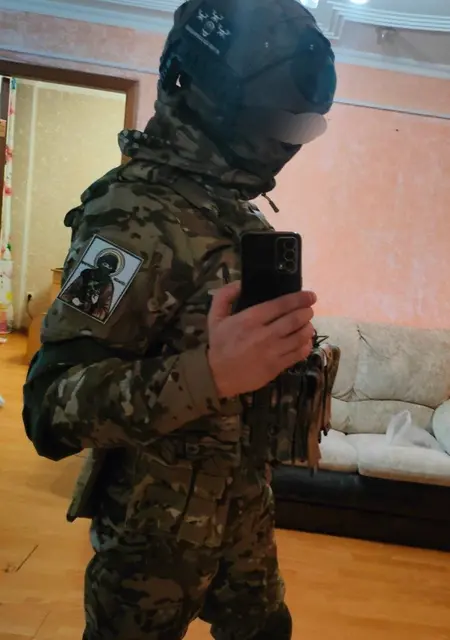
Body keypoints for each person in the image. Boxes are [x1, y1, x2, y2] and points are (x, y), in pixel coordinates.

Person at [23, 1, 336, 638]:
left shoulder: (239, 216)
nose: (287, 144)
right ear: (214, 100)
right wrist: (211, 372)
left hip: (243, 521)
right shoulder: (127, 217)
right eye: (276, 122)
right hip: (151, 546)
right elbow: (50, 407)